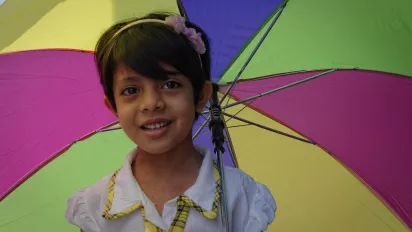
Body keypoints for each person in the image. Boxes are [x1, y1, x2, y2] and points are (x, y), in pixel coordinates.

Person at [65, 12, 276, 232]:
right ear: (113, 107)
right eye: (131, 90)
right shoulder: (96, 207)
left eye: (170, 85)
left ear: (201, 96)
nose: (151, 103)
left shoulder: (241, 198)